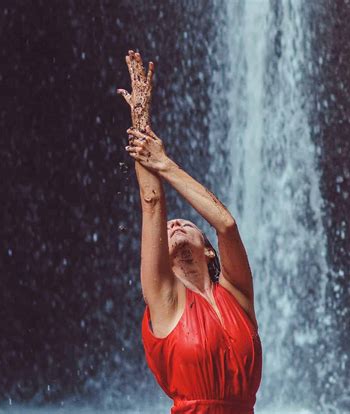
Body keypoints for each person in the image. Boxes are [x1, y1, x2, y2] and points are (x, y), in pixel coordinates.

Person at [117, 50, 262, 414]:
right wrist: (140, 119)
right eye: (168, 228)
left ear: (209, 250)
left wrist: (166, 163)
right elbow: (152, 203)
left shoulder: (238, 295)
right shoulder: (164, 297)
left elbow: (225, 224)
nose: (176, 223)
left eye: (186, 224)